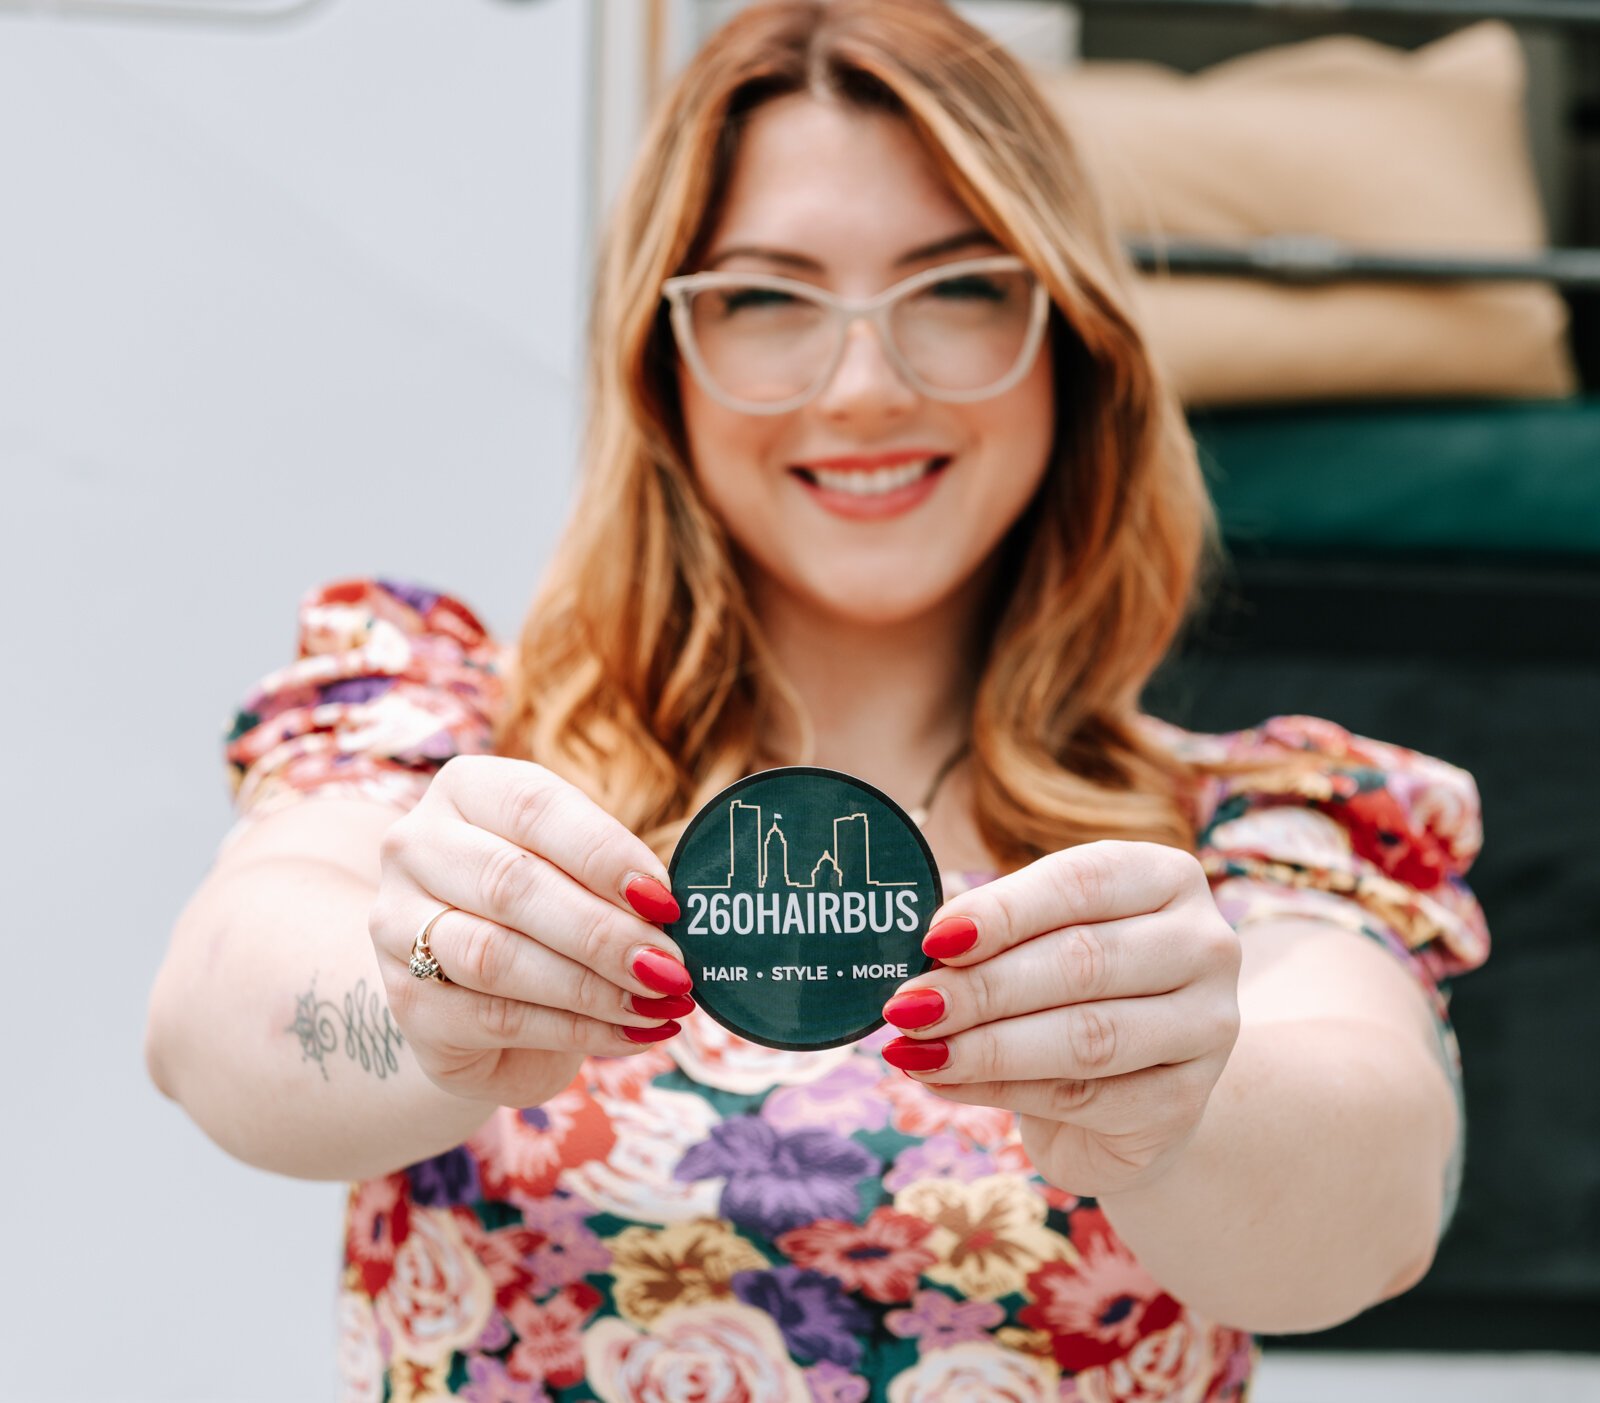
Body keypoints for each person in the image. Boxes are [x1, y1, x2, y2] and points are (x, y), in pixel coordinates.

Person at [143, 2, 1491, 1397]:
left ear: (1068, 337)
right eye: (770, 299)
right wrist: (417, 993)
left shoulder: (1247, 834)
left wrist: (1185, 1102)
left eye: (957, 287)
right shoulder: (447, 748)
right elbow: (211, 1018)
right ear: (662, 359)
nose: (864, 385)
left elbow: (1377, 1199)